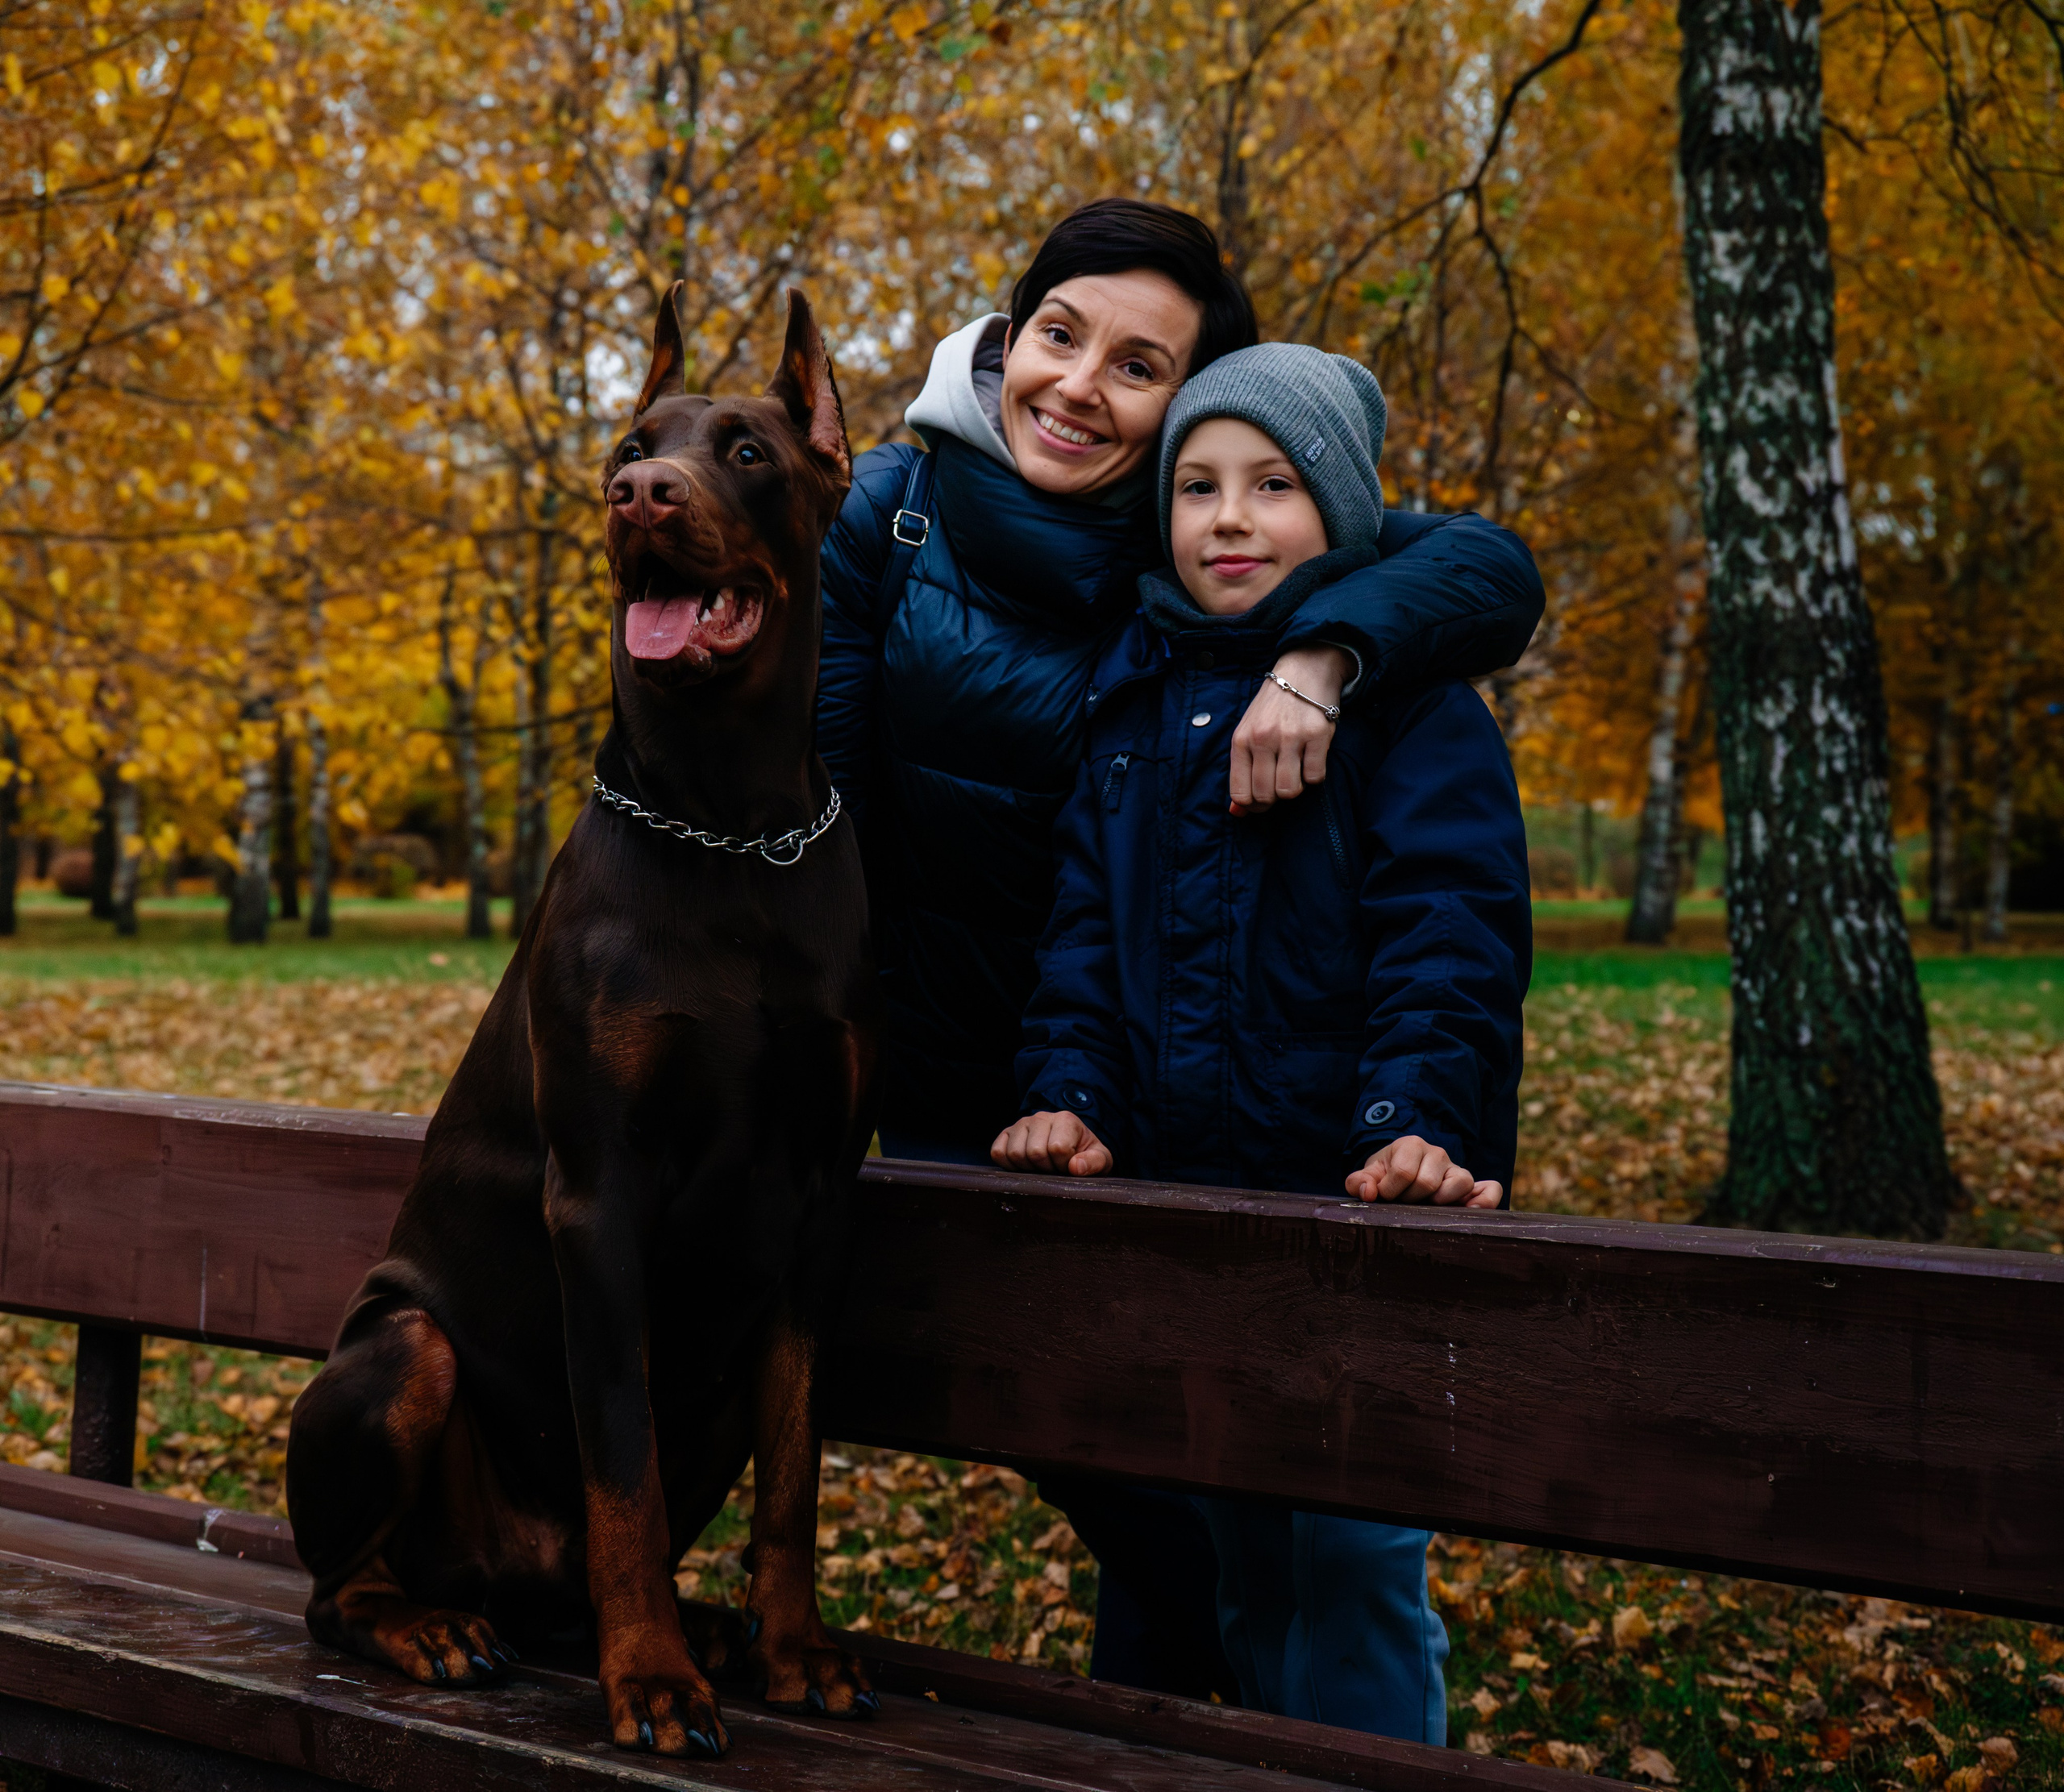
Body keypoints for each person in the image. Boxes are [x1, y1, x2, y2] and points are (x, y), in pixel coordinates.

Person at [814, 197, 1541, 1706]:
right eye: (1057, 337)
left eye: (1138, 367)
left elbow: (1481, 583)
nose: (1078, 386)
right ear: (1007, 341)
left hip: (1236, 1137)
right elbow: (835, 811)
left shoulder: (1253, 634)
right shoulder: (895, 512)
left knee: (1299, 1547)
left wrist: (1324, 653)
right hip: (994, 1097)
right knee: (1166, 1509)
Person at [990, 342, 1532, 1741]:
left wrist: (1419, 1123)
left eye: (1274, 487)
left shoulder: (1410, 707)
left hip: (1356, 1209)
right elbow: (1081, 940)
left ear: (1342, 515)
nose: (1228, 519)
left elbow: (1450, 932)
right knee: (1228, 1560)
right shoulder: (1127, 700)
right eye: (1198, 487)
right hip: (1187, 1214)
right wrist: (1066, 1091)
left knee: (1348, 1567)